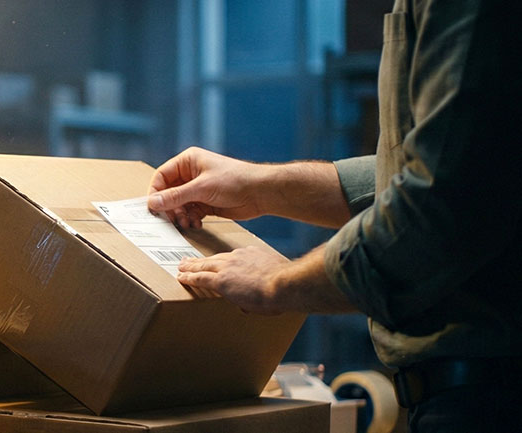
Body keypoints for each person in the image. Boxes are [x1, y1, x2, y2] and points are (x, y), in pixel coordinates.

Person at [145, 0, 520, 431]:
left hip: (492, 398)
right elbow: (436, 168)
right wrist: (259, 186)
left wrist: (277, 283)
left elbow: (446, 199)